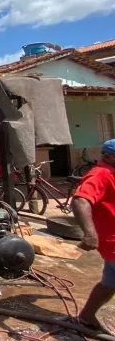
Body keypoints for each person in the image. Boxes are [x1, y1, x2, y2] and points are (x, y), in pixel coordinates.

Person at [71, 139, 115, 330]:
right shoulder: (100, 175)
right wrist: (89, 234)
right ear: (108, 156)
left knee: (109, 283)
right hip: (112, 242)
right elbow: (81, 200)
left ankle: (87, 316)